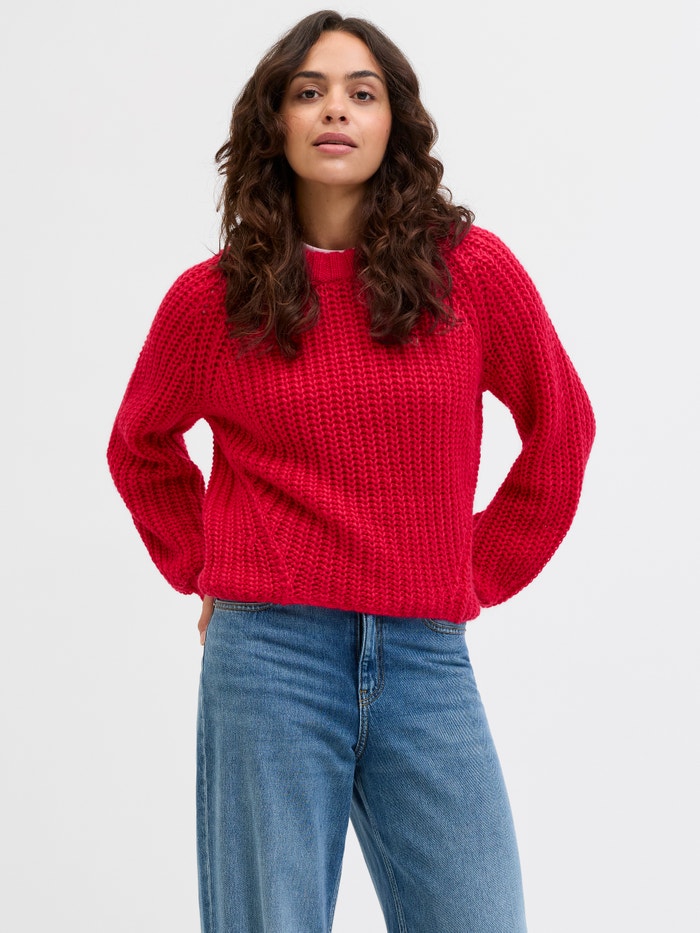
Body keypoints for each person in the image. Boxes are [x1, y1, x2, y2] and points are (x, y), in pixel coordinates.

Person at [107, 9, 595, 932]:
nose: (336, 109)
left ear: (392, 123)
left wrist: (475, 567)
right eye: (309, 91)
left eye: (361, 93)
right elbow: (140, 444)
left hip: (426, 659)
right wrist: (204, 565)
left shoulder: (470, 275)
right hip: (271, 659)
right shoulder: (213, 302)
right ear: (276, 122)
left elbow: (562, 426)